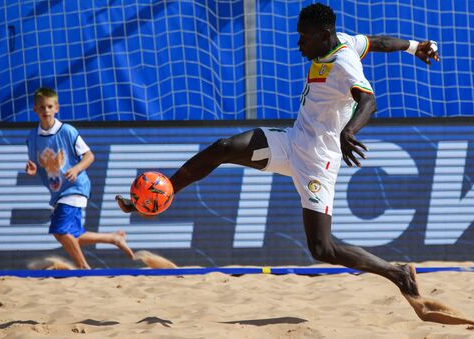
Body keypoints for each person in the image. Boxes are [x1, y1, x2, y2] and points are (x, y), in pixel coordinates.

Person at [116, 3, 439, 297]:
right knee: (223, 147)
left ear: (322, 35)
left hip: (318, 161)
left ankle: (396, 273)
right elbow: (379, 42)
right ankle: (166, 193)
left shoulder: (344, 63)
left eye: (304, 37)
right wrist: (414, 47)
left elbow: (368, 101)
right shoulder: (341, 40)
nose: (299, 43)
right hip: (290, 142)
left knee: (321, 249)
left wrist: (348, 132)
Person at [26, 87, 135, 269]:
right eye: (42, 107)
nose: (46, 110)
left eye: (49, 106)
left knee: (59, 231)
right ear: (35, 109)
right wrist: (33, 169)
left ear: (56, 108)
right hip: (59, 191)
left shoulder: (67, 131)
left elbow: (90, 156)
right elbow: (36, 164)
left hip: (75, 187)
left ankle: (84, 268)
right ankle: (113, 238)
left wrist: (76, 169)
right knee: (73, 235)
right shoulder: (32, 137)